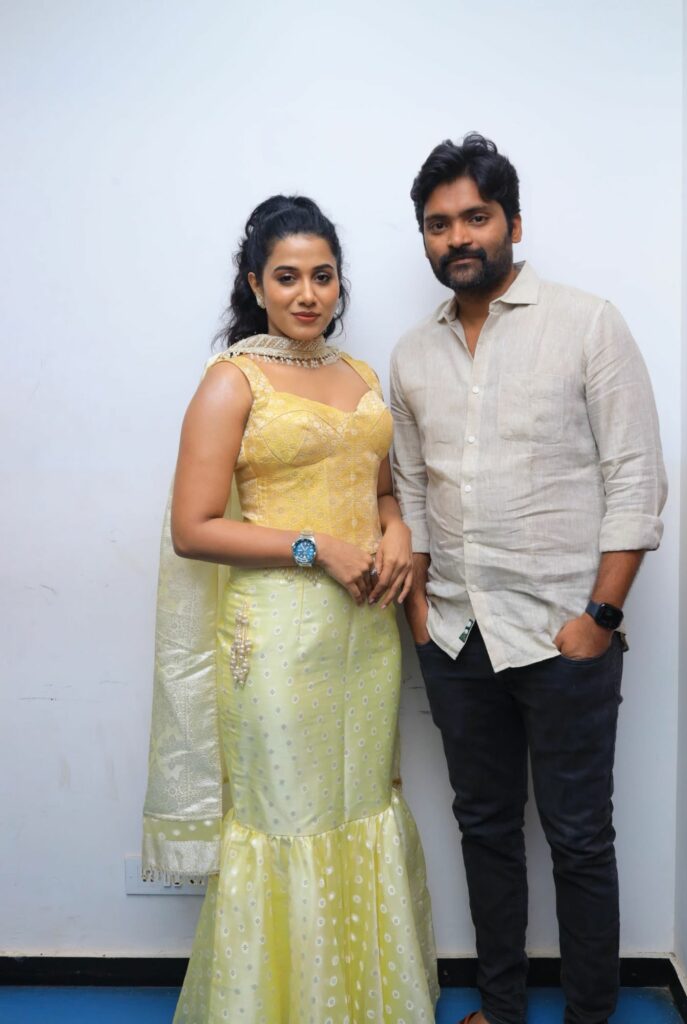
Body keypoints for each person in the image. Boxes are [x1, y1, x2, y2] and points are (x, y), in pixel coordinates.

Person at [390, 134, 667, 1024]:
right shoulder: (411, 355)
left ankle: (589, 1015)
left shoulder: (587, 323)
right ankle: (501, 1009)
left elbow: (635, 478)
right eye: (438, 224)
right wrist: (420, 615)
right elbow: (409, 490)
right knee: (484, 831)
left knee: (579, 840)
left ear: (512, 221)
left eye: (474, 217)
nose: (456, 237)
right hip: (455, 635)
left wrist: (598, 617)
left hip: (562, 633)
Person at [142, 195, 438, 1023]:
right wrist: (317, 547)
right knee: (286, 818)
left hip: (365, 636)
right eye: (286, 277)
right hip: (274, 636)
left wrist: (396, 528)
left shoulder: (362, 377)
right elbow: (193, 528)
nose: (307, 294)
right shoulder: (232, 381)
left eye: (322, 276)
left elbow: (381, 490)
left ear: (339, 283)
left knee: (359, 806)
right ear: (255, 285)